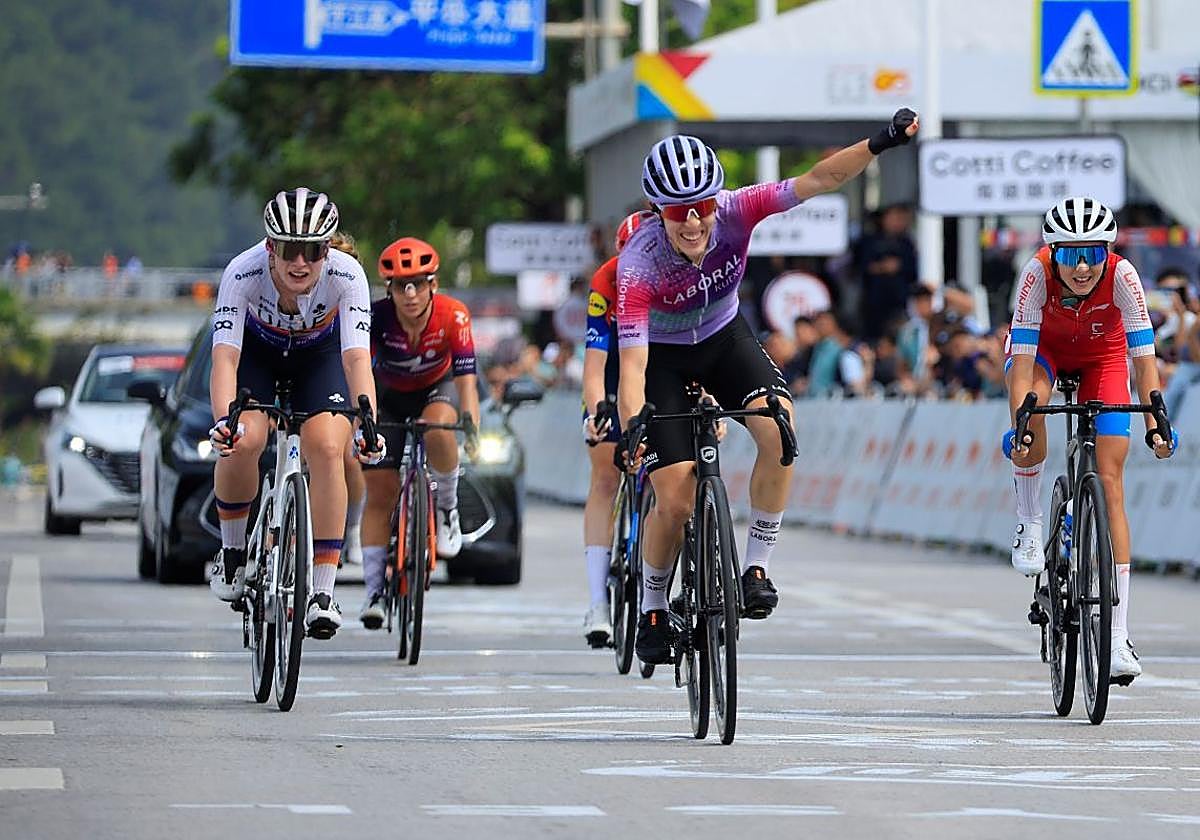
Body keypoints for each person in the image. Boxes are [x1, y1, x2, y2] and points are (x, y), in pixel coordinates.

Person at [616, 110, 919, 664]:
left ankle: (755, 566)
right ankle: (654, 606)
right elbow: (633, 366)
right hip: (663, 359)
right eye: (679, 212)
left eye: (702, 206)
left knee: (780, 429)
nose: (694, 222)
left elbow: (820, 178)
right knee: (675, 500)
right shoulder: (638, 265)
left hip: (724, 337)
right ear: (658, 212)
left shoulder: (738, 208)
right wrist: (633, 423)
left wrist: (880, 142)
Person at [1005, 196, 1178, 683]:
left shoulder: (1123, 277)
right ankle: (1029, 521)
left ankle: (1117, 637)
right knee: (1033, 409)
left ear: (1108, 252)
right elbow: (1022, 368)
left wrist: (1156, 421)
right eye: (1069, 255)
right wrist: (1021, 424)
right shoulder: (1035, 275)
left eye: (1092, 254)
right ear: (1052, 253)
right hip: (1044, 354)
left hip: (1104, 358)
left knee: (1112, 480)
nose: (1081, 267)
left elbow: (1144, 361)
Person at [207, 187, 383, 640]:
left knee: (327, 447)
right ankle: (232, 552)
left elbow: (356, 359)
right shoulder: (242, 272)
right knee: (244, 439)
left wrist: (368, 423)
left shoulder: (347, 275)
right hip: (259, 354)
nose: (300, 262)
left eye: (313, 251)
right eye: (289, 250)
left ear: (327, 250)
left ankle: (322, 591)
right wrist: (224, 421)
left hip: (319, 357)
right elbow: (225, 358)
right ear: (271, 247)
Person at [357, 237, 480, 629]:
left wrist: (471, 426)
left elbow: (466, 380)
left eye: (418, 284)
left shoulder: (454, 315)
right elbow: (358, 371)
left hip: (436, 389)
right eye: (400, 286)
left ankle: (446, 508)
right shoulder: (375, 317)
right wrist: (361, 422)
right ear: (389, 289)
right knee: (379, 491)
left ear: (433, 285)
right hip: (388, 394)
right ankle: (373, 591)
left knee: (438, 428)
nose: (409, 294)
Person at [580, 210, 655, 647]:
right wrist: (597, 412)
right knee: (605, 476)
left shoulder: (675, 277)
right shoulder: (605, 282)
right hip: (613, 373)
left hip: (657, 371)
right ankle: (597, 603)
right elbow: (594, 367)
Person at [329, 230, 368, 566]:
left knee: (347, 456)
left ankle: (352, 527)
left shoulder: (356, 302)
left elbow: (362, 363)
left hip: (342, 383)